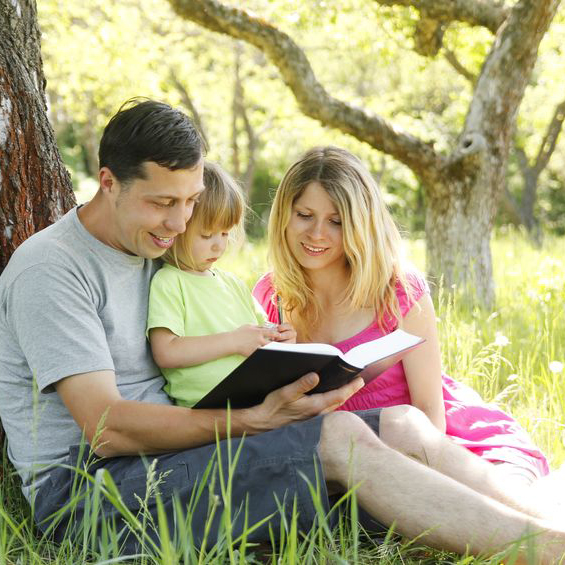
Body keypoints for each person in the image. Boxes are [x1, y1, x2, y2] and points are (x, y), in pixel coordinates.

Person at [0, 100, 564, 563]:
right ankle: (544, 553)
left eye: (190, 201)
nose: (179, 222)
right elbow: (107, 430)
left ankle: (539, 516)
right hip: (96, 495)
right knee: (337, 439)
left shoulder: (158, 248)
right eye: (162, 203)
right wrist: (251, 420)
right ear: (108, 183)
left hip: (181, 457)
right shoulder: (53, 269)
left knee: (400, 422)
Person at [253, 145, 549, 485]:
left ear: (359, 225)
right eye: (304, 215)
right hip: (332, 456)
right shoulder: (269, 296)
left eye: (336, 221)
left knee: (505, 502)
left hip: (427, 442)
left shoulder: (399, 291)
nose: (317, 233)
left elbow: (429, 413)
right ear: (284, 216)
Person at [147, 162, 295, 408]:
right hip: (209, 411)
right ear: (178, 227)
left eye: (225, 234)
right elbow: (166, 352)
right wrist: (233, 341)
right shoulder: (170, 282)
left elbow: (261, 334)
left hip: (255, 400)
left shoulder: (233, 284)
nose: (219, 246)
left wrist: (281, 339)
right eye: (206, 235)